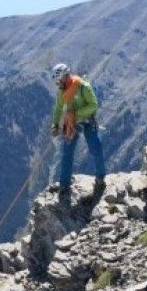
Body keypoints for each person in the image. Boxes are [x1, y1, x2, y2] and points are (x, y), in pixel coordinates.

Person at [50, 63, 106, 195]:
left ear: (66, 76)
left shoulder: (83, 86)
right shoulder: (62, 91)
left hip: (86, 120)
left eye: (59, 80)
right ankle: (64, 184)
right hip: (72, 123)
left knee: (96, 147)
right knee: (66, 153)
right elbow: (58, 109)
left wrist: (76, 113)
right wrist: (55, 125)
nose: (58, 83)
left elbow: (93, 105)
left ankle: (100, 178)